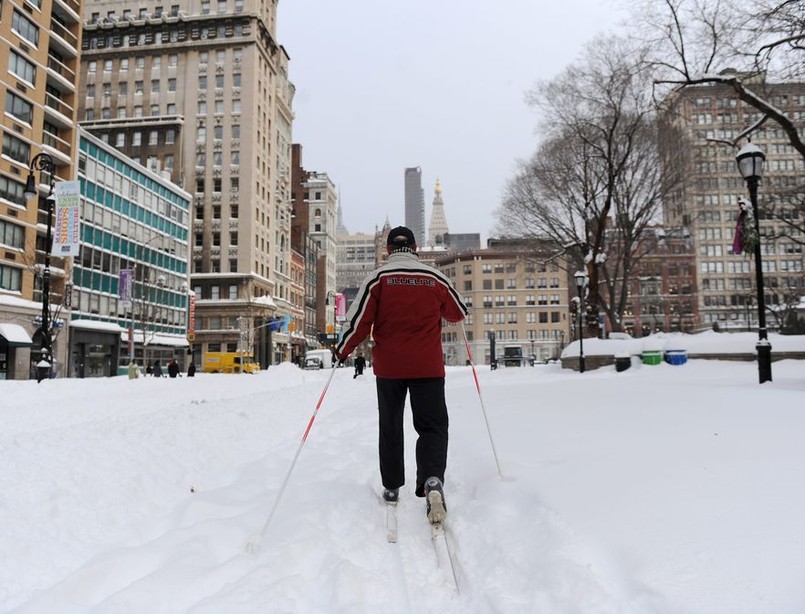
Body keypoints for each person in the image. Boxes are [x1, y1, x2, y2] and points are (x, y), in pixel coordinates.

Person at [335, 226, 468, 524]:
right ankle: (432, 479)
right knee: (432, 426)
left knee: (391, 424)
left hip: (390, 368)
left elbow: (358, 321)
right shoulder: (434, 278)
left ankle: (392, 486)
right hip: (427, 367)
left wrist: (342, 350)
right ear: (416, 248)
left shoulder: (379, 279)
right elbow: (458, 311)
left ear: (388, 251)